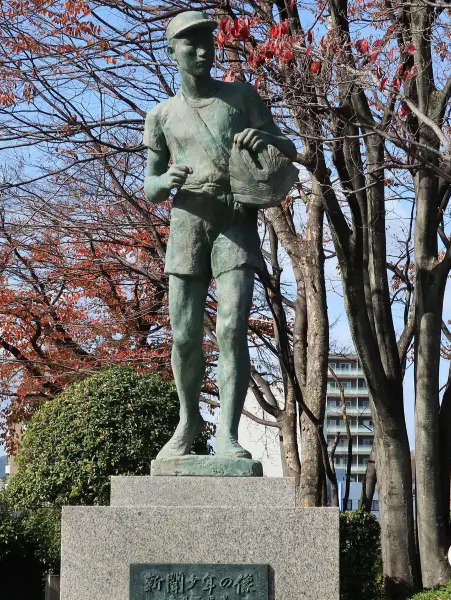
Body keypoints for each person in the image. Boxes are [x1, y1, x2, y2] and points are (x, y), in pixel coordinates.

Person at [144, 11, 297, 461]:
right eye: (190, 43)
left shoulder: (241, 97)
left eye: (207, 41)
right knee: (185, 334)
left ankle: (228, 436)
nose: (202, 50)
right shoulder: (162, 116)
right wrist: (165, 179)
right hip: (188, 221)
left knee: (231, 327)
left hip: (234, 220)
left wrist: (261, 140)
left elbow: (287, 149)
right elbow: (149, 184)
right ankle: (188, 421)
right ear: (172, 51)